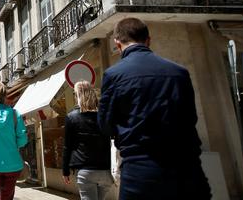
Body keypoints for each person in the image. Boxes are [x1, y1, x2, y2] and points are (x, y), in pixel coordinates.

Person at [98, 17, 211, 200]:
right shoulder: (179, 72)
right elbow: (190, 118)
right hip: (186, 168)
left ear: (117, 44)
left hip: (140, 170)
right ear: (148, 40)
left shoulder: (113, 75)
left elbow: (105, 125)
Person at [62, 80, 113, 199]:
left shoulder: (72, 117)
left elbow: (67, 146)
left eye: (75, 94)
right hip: (105, 171)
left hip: (85, 171)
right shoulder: (103, 116)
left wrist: (65, 171)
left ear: (78, 95)